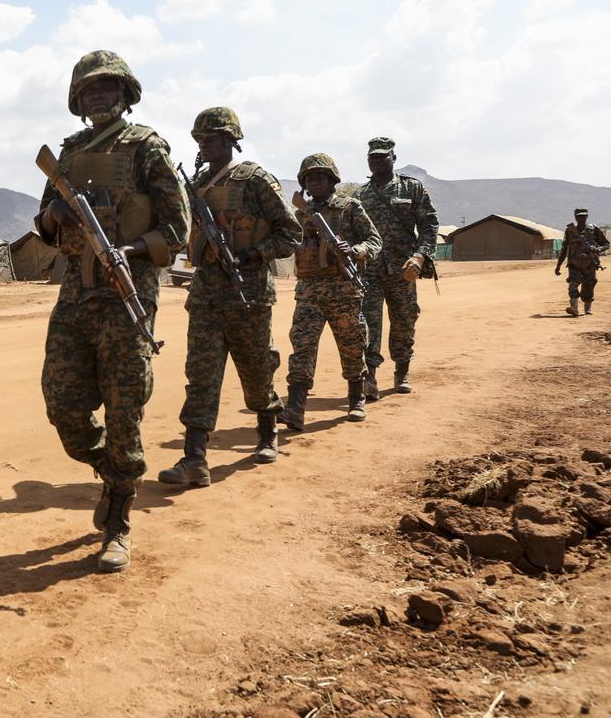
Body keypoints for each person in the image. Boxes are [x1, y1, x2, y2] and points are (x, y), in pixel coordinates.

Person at [36, 50, 190, 573]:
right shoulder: (69, 153)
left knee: (125, 410)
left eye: (108, 88)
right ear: (78, 100)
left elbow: (178, 228)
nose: (99, 97)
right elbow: (44, 228)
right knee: (63, 405)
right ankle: (111, 469)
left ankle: (119, 518)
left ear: (125, 94)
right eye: (90, 90)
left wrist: (133, 251)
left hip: (127, 297)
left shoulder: (147, 148)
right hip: (75, 296)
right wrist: (54, 212)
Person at [158, 107, 301, 477]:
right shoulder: (196, 186)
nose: (203, 145)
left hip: (248, 294)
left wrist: (253, 253)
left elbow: (291, 233)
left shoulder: (255, 180)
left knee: (256, 369)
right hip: (206, 293)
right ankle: (194, 458)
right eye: (199, 139)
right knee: (201, 374)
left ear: (230, 140)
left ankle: (268, 432)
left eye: (210, 138)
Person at [278, 153, 382, 430]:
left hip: (344, 291)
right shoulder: (300, 213)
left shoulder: (349, 207)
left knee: (351, 345)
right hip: (309, 292)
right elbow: (286, 244)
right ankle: (295, 408)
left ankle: (356, 399)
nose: (315, 182)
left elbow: (374, 240)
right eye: (310, 178)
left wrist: (357, 250)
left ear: (332, 180)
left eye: (321, 177)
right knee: (302, 347)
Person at [354, 137, 438, 398]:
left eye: (383, 156)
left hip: (404, 269)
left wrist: (421, 257)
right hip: (370, 271)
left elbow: (429, 225)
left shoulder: (410, 188)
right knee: (367, 323)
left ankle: (402, 371)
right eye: (373, 157)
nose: (378, 161)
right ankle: (369, 377)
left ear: (394, 158)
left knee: (404, 320)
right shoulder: (359, 195)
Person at [556, 208, 609, 315]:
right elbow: (564, 249)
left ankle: (587, 308)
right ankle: (574, 308)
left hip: (590, 264)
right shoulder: (570, 231)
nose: (581, 218)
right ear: (575, 217)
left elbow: (606, 244)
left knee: (588, 287)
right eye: (579, 216)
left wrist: (598, 249)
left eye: (583, 216)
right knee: (572, 286)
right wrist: (558, 265)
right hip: (574, 264)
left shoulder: (593, 229)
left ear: (587, 217)